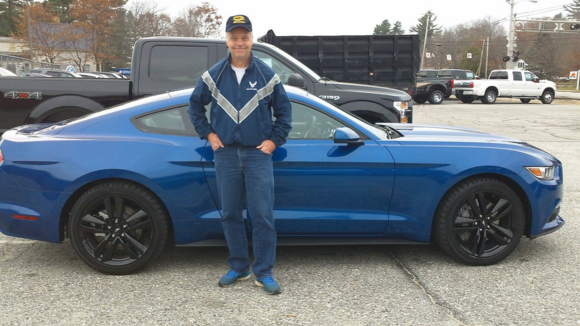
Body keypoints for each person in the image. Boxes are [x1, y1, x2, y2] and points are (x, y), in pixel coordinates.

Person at [188, 14, 292, 295]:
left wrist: (274, 141)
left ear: (251, 39)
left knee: (262, 215)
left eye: (244, 36)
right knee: (231, 214)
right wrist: (208, 134)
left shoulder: (268, 75)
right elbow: (194, 107)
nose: (239, 42)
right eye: (234, 37)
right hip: (225, 156)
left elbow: (285, 113)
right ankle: (239, 266)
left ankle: (264, 271)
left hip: (258, 155)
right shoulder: (213, 75)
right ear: (227, 41)